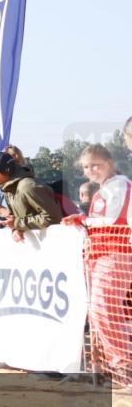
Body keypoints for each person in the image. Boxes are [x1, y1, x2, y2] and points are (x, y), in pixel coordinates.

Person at [63, 144, 131, 371]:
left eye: (96, 165)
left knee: (104, 311)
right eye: (86, 167)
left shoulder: (119, 186)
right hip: (102, 255)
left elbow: (114, 220)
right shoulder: (105, 189)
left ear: (109, 164)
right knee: (100, 312)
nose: (91, 170)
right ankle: (114, 363)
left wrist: (83, 221)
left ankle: (123, 362)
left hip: (115, 255)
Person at [0, 151, 61, 242]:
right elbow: (18, 218)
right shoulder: (9, 188)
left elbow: (53, 217)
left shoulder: (27, 186)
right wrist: (14, 228)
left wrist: (15, 222)